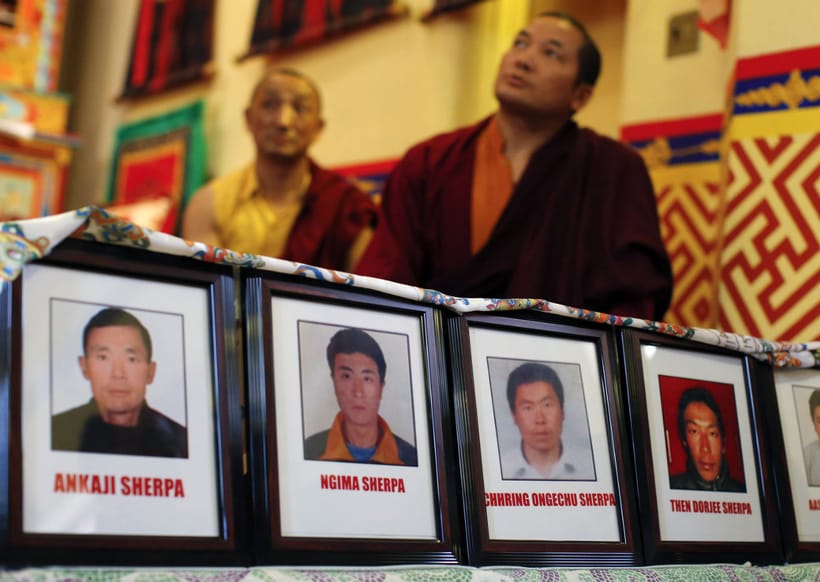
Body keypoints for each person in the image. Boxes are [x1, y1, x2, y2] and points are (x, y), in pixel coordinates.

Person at [356, 12, 672, 320]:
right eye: (520, 44)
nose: (524, 59)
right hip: (437, 354)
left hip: (559, 363)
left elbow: (632, 300)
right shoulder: (429, 161)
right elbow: (386, 275)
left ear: (581, 95)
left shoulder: (613, 169)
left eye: (551, 53)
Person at [182, 67, 377, 271]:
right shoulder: (210, 204)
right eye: (269, 105)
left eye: (300, 108)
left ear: (318, 128)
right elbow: (208, 292)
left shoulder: (347, 206)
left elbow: (362, 295)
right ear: (248, 119)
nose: (283, 121)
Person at [51, 307, 188, 458]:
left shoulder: (181, 442)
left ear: (150, 372)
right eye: (103, 357)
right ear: (84, 367)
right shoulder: (54, 432)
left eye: (131, 359)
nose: (118, 374)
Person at [304, 327, 416, 465]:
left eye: (367, 378)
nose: (358, 392)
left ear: (381, 386)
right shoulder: (308, 451)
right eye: (346, 376)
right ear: (334, 382)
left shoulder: (411, 458)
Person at [502, 361, 594, 480]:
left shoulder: (590, 464)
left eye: (547, 405)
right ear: (513, 415)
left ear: (562, 410)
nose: (540, 419)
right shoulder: (502, 469)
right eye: (528, 408)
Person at [669, 386, 745, 492]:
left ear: (723, 443)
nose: (705, 448)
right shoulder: (672, 488)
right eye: (694, 432)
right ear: (684, 440)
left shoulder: (742, 492)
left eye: (712, 434)